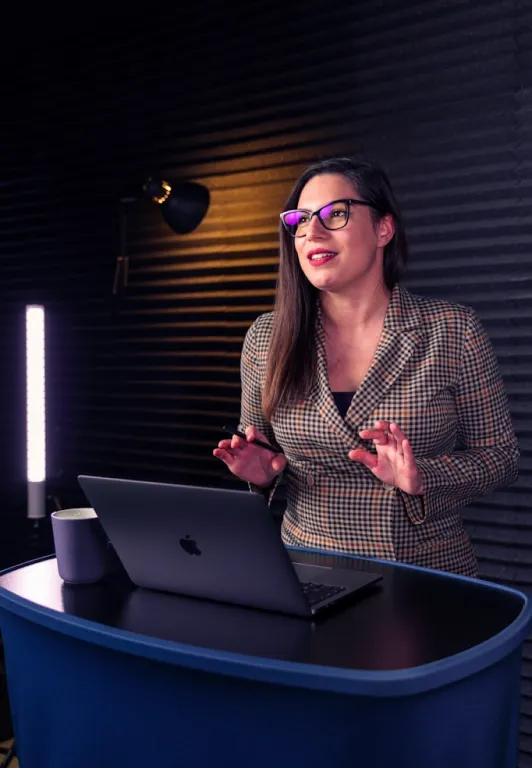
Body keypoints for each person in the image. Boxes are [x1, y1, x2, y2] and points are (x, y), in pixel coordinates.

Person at [213, 156, 519, 577]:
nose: (311, 231)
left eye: (335, 214)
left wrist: (420, 476)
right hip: (306, 571)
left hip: (424, 575)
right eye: (300, 220)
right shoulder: (265, 338)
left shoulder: (452, 329)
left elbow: (500, 459)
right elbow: (262, 452)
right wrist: (261, 474)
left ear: (383, 229)